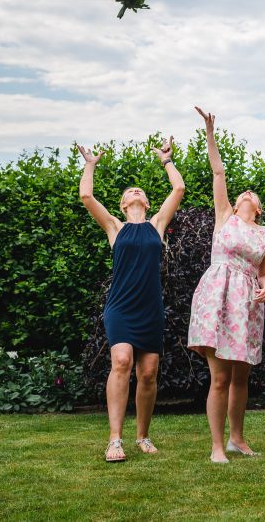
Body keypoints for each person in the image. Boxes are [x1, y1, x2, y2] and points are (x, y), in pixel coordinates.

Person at [77, 137, 184, 463]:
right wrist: (90, 165)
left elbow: (178, 189)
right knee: (121, 361)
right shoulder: (115, 227)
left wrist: (166, 161)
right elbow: (86, 196)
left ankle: (142, 436)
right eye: (129, 192)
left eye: (140, 191)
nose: (135, 192)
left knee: (148, 372)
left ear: (147, 203)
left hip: (150, 308)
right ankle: (114, 440)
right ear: (123, 204)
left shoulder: (157, 225)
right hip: (121, 307)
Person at [187, 107, 265, 464]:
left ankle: (237, 438)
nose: (246, 194)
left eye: (252, 195)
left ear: (259, 208)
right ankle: (217, 446)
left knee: (241, 377)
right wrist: (210, 134)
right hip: (219, 296)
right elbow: (219, 172)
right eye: (242, 194)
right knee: (220, 377)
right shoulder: (225, 217)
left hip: (248, 302)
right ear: (236, 204)